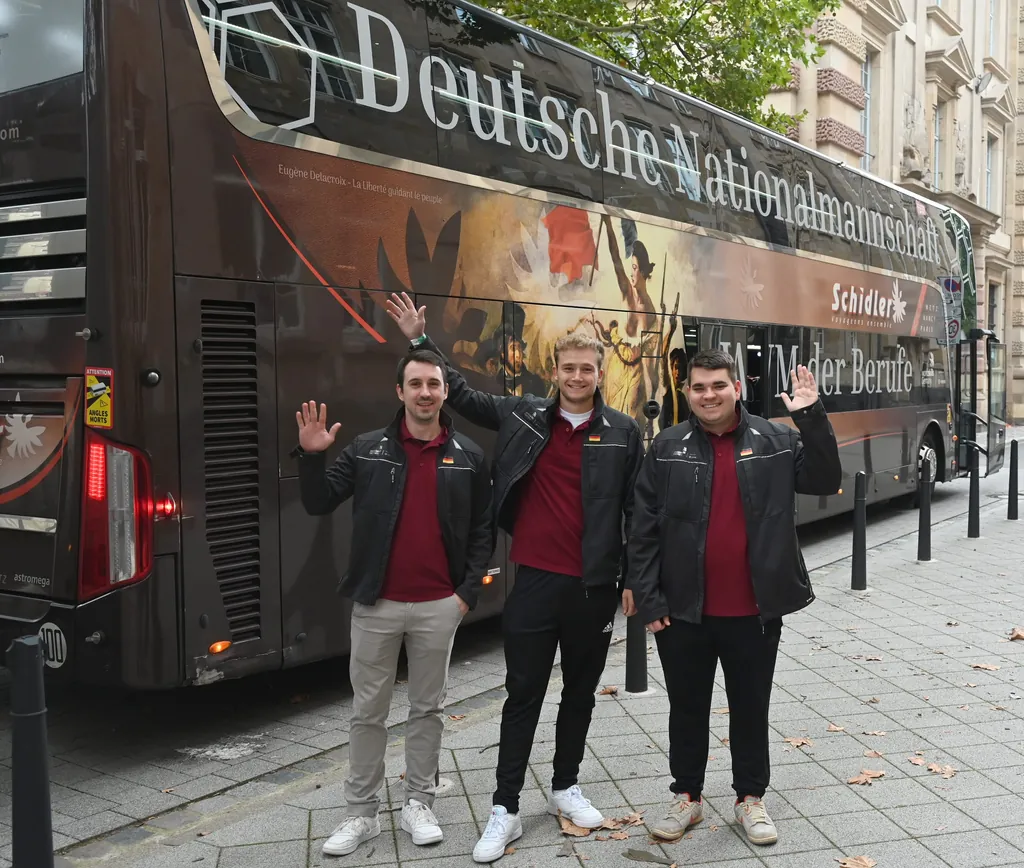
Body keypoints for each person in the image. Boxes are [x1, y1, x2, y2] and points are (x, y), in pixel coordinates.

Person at [385, 292, 645, 864]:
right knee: (522, 694)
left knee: (579, 693)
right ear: (555, 372)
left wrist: (634, 580)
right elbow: (464, 393)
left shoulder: (625, 432)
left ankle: (565, 787)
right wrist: (419, 342)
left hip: (594, 588)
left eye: (587, 369)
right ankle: (505, 808)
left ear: (600, 374)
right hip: (534, 583)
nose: (577, 377)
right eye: (568, 368)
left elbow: (637, 511)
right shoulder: (526, 414)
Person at [626, 348, 842, 847]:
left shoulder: (776, 438)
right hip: (684, 611)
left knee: (750, 706)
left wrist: (809, 415)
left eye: (718, 385)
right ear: (687, 393)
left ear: (736, 388)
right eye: (699, 387)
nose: (709, 395)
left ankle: (750, 798)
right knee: (686, 707)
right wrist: (650, 601)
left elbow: (826, 480)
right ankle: (687, 798)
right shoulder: (666, 447)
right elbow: (643, 527)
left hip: (754, 610)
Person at [292, 349, 493, 858]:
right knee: (368, 712)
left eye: (434, 383)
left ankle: (418, 802)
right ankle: (361, 814)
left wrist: (465, 595)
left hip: (438, 608)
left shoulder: (468, 456)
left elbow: (482, 533)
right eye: (415, 383)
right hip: (376, 604)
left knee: (428, 710)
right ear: (399, 392)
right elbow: (318, 502)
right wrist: (311, 456)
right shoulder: (367, 450)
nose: (425, 392)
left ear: (446, 391)